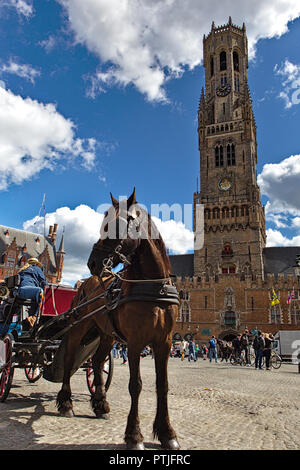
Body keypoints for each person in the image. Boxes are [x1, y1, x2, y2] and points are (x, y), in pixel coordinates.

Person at [17, 258, 47, 327]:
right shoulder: (36, 268)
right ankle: (35, 317)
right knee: (42, 292)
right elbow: (44, 282)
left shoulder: (23, 270)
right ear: (36, 264)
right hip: (27, 290)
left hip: (21, 291)